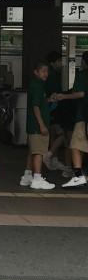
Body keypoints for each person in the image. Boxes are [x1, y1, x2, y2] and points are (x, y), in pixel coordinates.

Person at [54, 50, 88, 188]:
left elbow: (80, 93)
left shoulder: (82, 75)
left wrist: (63, 96)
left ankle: (78, 175)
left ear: (84, 62)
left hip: (84, 115)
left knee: (75, 145)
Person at [19, 61, 55, 189]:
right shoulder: (37, 86)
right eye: (43, 71)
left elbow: (39, 102)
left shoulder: (37, 86)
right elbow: (36, 106)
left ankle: (27, 176)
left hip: (33, 126)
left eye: (47, 71)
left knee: (32, 151)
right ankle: (37, 178)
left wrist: (48, 100)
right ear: (36, 72)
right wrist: (42, 125)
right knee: (39, 152)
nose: (46, 74)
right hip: (37, 126)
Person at [43, 50, 70, 174]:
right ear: (52, 63)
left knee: (53, 133)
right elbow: (55, 93)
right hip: (55, 107)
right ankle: (49, 155)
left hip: (49, 109)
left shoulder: (51, 75)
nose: (61, 63)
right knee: (61, 134)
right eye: (59, 61)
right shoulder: (53, 76)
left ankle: (54, 159)